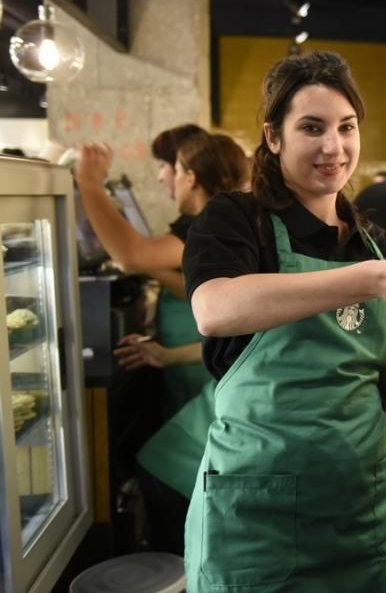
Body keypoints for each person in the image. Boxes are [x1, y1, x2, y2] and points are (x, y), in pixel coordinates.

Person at [181, 50, 386, 592]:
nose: (334, 147)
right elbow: (215, 308)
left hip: (358, 507)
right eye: (311, 128)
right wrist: (371, 279)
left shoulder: (372, 239)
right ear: (273, 137)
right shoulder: (236, 219)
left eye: (346, 127)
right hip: (257, 513)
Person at [73, 127, 249, 553]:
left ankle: (186, 560)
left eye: (168, 167)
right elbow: (192, 286)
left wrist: (88, 183)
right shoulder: (225, 221)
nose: (160, 178)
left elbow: (132, 254)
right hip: (222, 373)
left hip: (232, 387)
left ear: (189, 176)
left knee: (165, 467)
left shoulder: (210, 223)